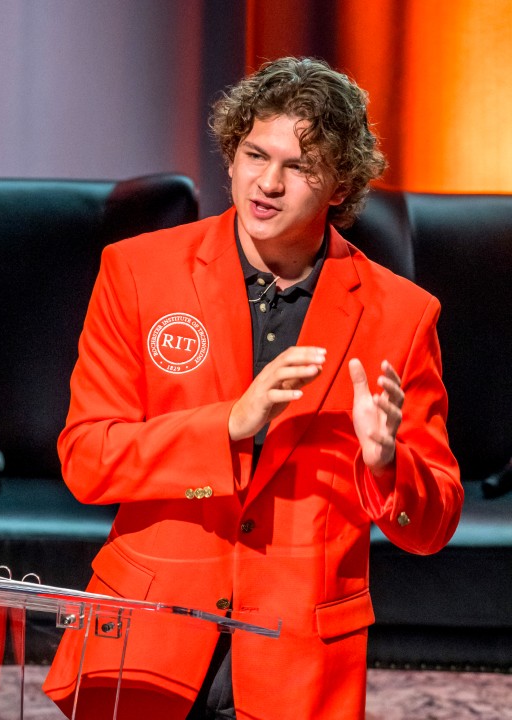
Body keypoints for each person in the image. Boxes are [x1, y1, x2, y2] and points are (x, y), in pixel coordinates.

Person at [42, 57, 463, 720]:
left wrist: (387, 465)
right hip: (148, 637)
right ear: (232, 155)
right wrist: (228, 424)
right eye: (253, 155)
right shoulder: (138, 272)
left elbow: (431, 526)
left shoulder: (404, 316)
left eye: (298, 167)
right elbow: (88, 462)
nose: (267, 183)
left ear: (340, 184)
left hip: (298, 659)